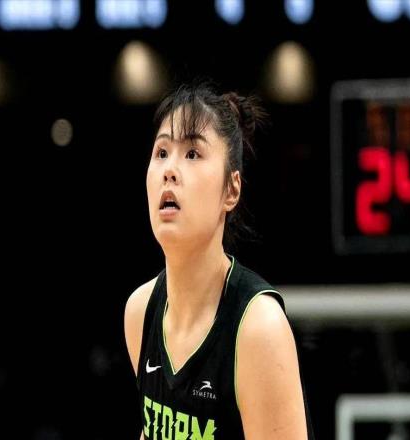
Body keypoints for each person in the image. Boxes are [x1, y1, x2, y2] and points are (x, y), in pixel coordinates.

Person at [124, 81, 313, 439]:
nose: (169, 169)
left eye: (193, 154)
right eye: (162, 152)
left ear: (231, 189)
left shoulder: (259, 328)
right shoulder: (140, 312)